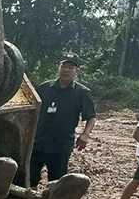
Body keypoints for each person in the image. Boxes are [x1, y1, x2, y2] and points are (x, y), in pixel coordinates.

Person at [30, 53, 97, 187]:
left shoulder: (82, 93)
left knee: (56, 181)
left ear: (77, 71)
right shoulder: (44, 88)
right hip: (38, 141)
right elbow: (31, 109)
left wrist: (85, 135)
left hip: (60, 145)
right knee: (29, 177)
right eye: (63, 66)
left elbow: (91, 117)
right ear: (59, 68)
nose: (66, 70)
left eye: (70, 67)